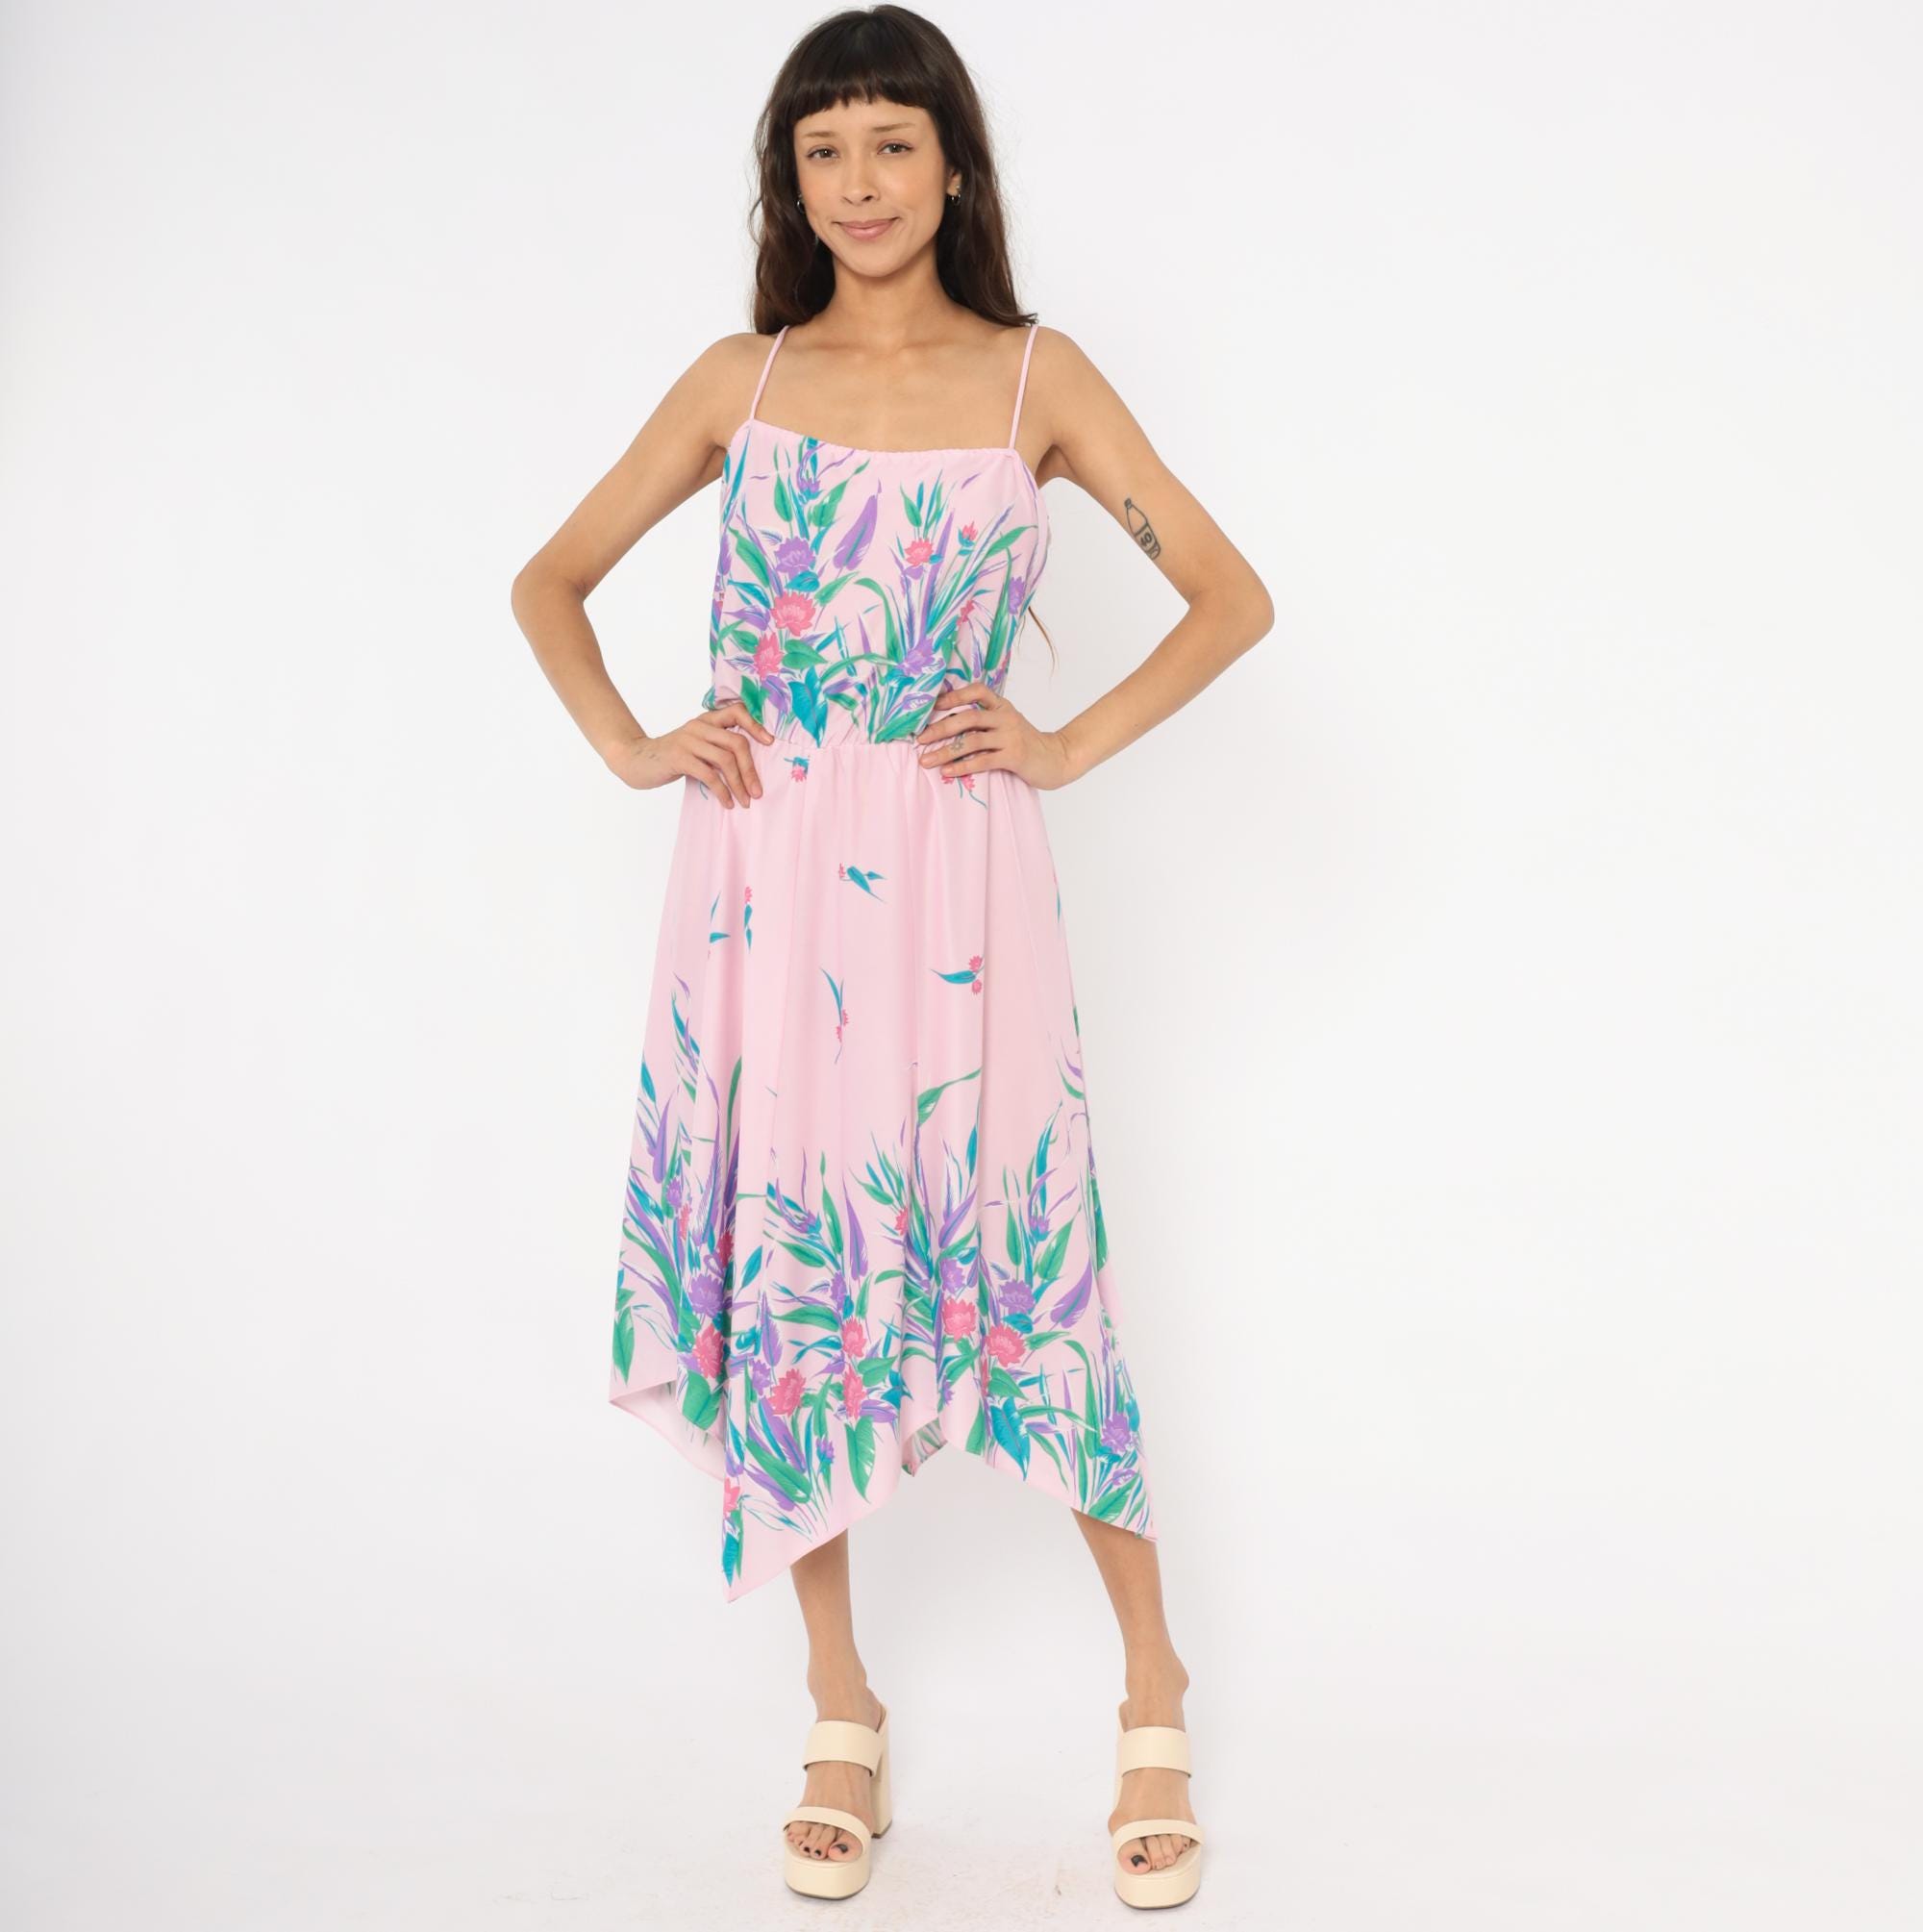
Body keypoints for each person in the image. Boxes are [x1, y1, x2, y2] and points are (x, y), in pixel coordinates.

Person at [510, 5, 1272, 1908]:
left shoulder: (1036, 379)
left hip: (960, 877)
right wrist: (633, 740)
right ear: (791, 179)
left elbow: (1229, 596)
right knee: (794, 1256)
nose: (857, 183)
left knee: (1033, 1245)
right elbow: (549, 578)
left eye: (891, 144)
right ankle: (836, 1698)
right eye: (823, 149)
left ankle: (1151, 1681)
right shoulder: (739, 380)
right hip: (763, 878)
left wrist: (1063, 743)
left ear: (953, 166)